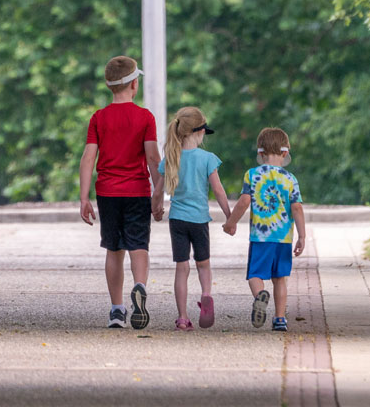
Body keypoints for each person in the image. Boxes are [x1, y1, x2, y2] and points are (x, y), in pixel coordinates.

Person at [79, 56, 162, 329]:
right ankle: (139, 286)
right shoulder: (145, 117)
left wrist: (84, 197)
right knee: (139, 245)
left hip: (108, 192)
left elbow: (88, 158)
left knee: (114, 249)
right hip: (137, 190)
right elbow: (152, 158)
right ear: (134, 85)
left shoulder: (98, 118)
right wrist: (158, 192)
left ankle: (117, 310)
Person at [153, 107, 232, 331]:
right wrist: (229, 217)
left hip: (177, 219)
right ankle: (206, 294)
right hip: (199, 220)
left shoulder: (170, 157)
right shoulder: (207, 159)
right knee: (203, 264)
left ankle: (182, 317)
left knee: (182, 267)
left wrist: (156, 209)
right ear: (199, 132)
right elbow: (218, 191)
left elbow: (157, 192)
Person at [222, 127, 305, 332]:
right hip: (283, 239)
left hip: (260, 237)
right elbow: (297, 207)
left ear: (260, 153)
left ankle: (260, 296)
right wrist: (302, 236)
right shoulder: (291, 179)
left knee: (255, 275)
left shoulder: (252, 175)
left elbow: (243, 202)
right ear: (285, 153)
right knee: (280, 279)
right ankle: (279, 319)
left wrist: (231, 222)